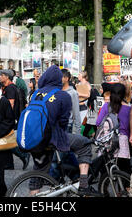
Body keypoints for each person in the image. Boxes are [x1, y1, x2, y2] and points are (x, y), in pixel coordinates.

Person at [29, 65, 99, 196]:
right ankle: (83, 185)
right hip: (52, 137)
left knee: (39, 170)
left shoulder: (36, 94)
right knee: (84, 144)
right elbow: (64, 121)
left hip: (35, 138)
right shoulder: (62, 95)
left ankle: (33, 195)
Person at [96, 83, 132, 174]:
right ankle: (124, 188)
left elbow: (98, 123)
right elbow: (130, 127)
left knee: (106, 172)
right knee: (124, 171)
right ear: (124, 94)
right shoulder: (128, 108)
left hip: (107, 140)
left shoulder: (106, 106)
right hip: (123, 142)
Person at [0, 69, 30, 170]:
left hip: (9, 119)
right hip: (10, 118)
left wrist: (4, 117)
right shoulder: (7, 87)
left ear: (7, 77)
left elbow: (10, 104)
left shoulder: (10, 88)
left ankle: (23, 155)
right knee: (6, 140)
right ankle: (9, 163)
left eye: (2, 75)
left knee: (6, 140)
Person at [61, 69, 81, 134]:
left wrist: (78, 132)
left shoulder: (73, 93)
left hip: (67, 125)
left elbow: (76, 113)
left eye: (60, 77)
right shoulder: (57, 91)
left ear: (66, 78)